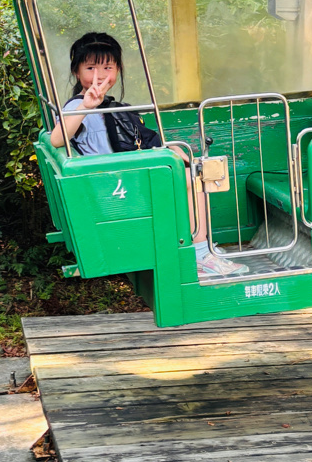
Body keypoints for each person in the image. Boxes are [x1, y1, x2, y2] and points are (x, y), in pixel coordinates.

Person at [50, 32, 247, 278]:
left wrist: (168, 148)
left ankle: (198, 248)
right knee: (194, 179)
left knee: (193, 167)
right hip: (112, 188)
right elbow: (57, 139)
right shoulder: (77, 106)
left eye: (107, 67)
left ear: (117, 70)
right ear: (77, 72)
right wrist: (85, 106)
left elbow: (135, 140)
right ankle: (200, 255)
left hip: (119, 178)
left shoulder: (107, 104)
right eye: (90, 68)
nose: (99, 75)